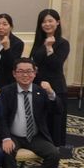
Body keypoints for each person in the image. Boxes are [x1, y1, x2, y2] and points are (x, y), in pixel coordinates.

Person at [0, 57, 60, 168]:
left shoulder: (41, 92)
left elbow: (57, 111)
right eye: (21, 71)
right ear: (14, 74)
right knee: (7, 152)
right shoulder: (6, 91)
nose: (25, 75)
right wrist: (6, 138)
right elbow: (1, 118)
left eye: (29, 71)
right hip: (14, 135)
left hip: (35, 136)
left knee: (54, 153)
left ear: (35, 73)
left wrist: (51, 93)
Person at [30, 9, 69, 147]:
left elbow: (56, 65)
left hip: (55, 86)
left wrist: (49, 48)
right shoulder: (39, 41)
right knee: (40, 118)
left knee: (54, 121)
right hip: (38, 84)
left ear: (57, 22)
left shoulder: (63, 43)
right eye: (43, 22)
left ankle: (54, 149)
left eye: (50, 21)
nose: (47, 24)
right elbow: (34, 61)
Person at [0, 13, 24, 89]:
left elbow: (13, 65)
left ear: (11, 27)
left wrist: (7, 48)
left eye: (5, 24)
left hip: (6, 80)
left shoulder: (18, 43)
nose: (1, 27)